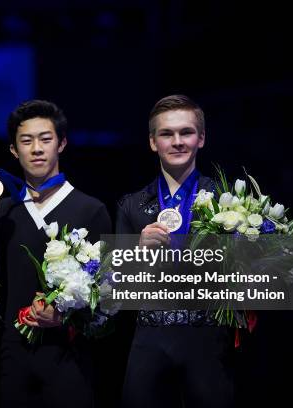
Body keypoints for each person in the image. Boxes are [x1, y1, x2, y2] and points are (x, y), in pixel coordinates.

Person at [0, 100, 112, 407]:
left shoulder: (91, 209)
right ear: (13, 150)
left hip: (71, 358)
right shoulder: (4, 211)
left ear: (61, 144)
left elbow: (110, 298)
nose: (36, 148)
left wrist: (66, 315)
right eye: (26, 141)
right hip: (14, 357)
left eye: (45, 139)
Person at [117, 95, 234, 408]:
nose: (178, 141)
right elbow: (114, 290)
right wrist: (135, 252)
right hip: (149, 339)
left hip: (207, 340)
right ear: (153, 142)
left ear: (202, 138)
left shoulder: (229, 203)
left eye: (187, 132)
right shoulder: (131, 206)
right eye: (167, 134)